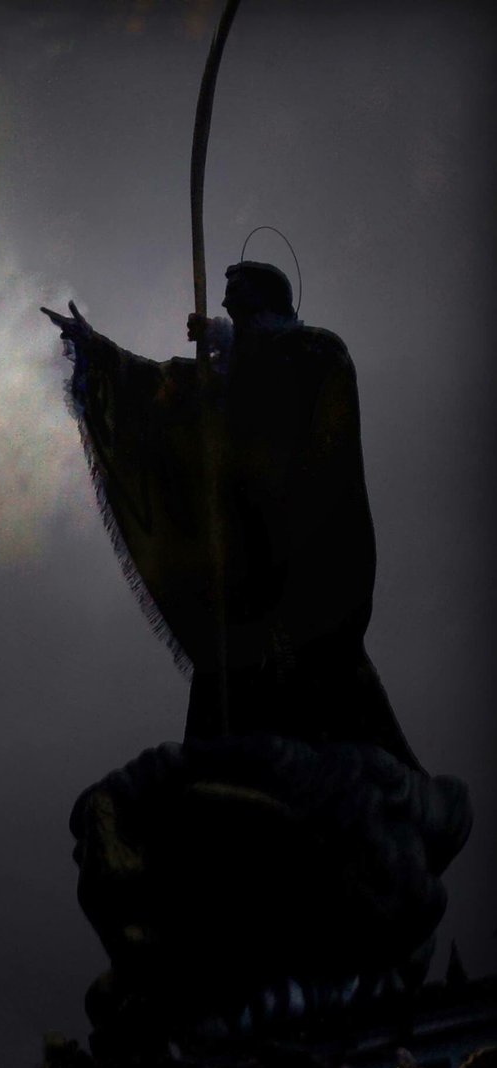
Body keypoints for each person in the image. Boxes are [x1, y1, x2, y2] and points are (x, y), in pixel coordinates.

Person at [42, 261, 421, 768]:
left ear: (268, 302)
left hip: (307, 567)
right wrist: (98, 352)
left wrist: (227, 345)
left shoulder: (319, 353)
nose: (224, 308)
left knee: (329, 708)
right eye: (225, 303)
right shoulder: (225, 375)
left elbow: (285, 388)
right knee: (227, 715)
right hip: (242, 579)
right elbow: (158, 389)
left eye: (237, 300)